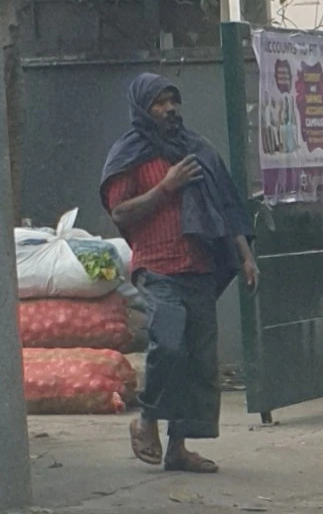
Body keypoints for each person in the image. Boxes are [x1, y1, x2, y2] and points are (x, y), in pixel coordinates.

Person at [100, 74, 257, 474]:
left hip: (199, 266)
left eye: (173, 100)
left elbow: (225, 205)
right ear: (142, 108)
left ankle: (178, 448)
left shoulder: (197, 149)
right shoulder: (129, 154)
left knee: (198, 359)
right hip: (157, 266)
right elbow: (120, 212)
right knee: (168, 345)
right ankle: (146, 420)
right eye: (160, 102)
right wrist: (166, 187)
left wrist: (245, 256)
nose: (170, 109)